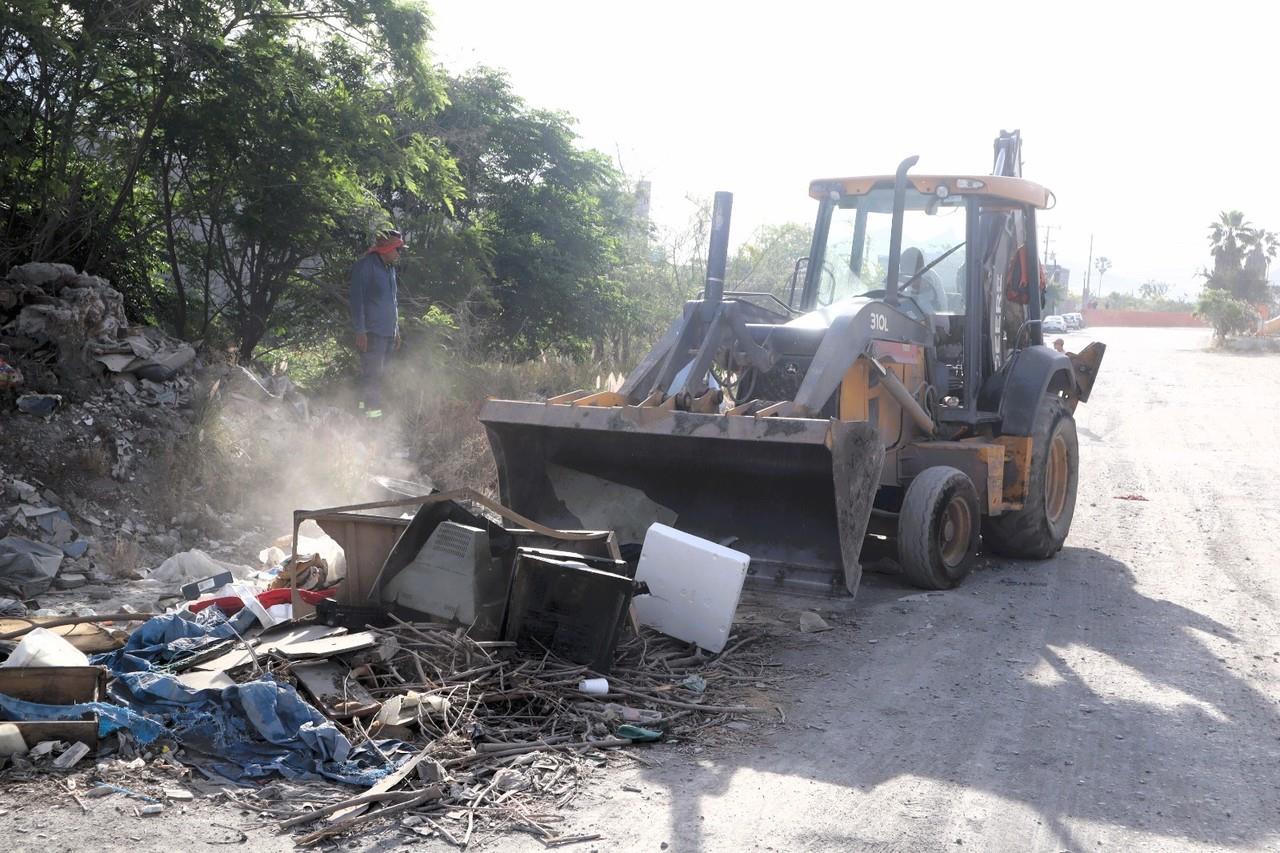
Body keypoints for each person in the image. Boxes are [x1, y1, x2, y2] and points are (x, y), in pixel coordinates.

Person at [349, 229, 403, 418]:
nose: (399, 253)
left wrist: (396, 329)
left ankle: (363, 413)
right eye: (397, 249)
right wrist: (360, 330)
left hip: (387, 333)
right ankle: (371, 420)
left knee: (379, 377)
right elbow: (357, 300)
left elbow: (393, 301)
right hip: (372, 333)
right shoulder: (365, 266)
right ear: (386, 248)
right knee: (372, 376)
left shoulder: (390, 269)